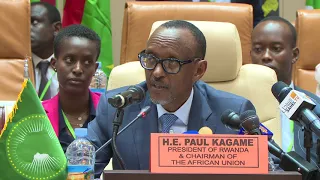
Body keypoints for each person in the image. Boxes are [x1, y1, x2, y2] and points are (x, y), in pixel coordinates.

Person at [88, 20, 256, 177]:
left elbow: (270, 170)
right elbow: (81, 168)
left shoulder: (235, 114)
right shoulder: (117, 108)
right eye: (151, 59)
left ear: (198, 70)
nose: (157, 73)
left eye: (171, 63)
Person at [251, 16, 320, 167]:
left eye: (276, 49)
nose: (266, 56)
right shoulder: (237, 106)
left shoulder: (315, 108)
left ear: (294, 55)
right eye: (258, 49)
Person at [42, 24, 101, 152]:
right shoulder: (38, 115)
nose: (78, 69)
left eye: (87, 62)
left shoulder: (112, 112)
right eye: (69, 60)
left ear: (95, 69)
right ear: (54, 64)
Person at [31, 2, 61, 100]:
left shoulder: (70, 66)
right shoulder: (14, 66)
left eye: (34, 22)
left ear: (56, 29)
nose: (27, 28)